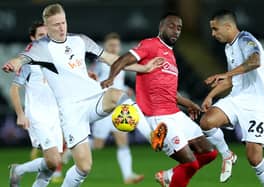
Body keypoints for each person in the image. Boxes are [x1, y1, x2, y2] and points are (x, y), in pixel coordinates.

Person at [2, 3, 164, 187]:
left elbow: (111, 59)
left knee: (117, 95)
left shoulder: (79, 40)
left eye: (63, 22)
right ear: (47, 27)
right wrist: (14, 63)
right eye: (56, 25)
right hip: (71, 112)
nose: (62, 28)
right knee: (84, 167)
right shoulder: (41, 47)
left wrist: (143, 67)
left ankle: (153, 135)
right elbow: (21, 58)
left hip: (93, 98)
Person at [101, 12, 218, 187]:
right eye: (171, 26)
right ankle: (156, 141)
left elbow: (169, 92)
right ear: (161, 27)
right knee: (190, 163)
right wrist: (111, 77)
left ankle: (169, 175)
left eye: (179, 28)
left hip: (175, 113)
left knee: (209, 154)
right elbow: (123, 60)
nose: (176, 31)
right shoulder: (150, 45)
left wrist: (189, 104)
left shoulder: (170, 56)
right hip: (158, 117)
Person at [199, 9, 264, 186]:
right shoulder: (229, 47)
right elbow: (230, 80)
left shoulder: (245, 39)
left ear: (228, 26)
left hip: (256, 104)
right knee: (207, 122)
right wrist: (210, 96)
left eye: (215, 29)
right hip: (236, 99)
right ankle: (227, 155)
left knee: (254, 159)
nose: (213, 34)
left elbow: (255, 61)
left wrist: (227, 74)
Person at [9, 20, 64, 187]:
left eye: (47, 35)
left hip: (55, 117)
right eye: (40, 35)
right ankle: (18, 170)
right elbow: (14, 88)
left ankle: (18, 171)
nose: (45, 39)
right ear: (32, 38)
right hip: (37, 117)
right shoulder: (28, 62)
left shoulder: (58, 58)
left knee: (51, 164)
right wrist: (20, 114)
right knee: (53, 160)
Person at [90, 32, 144, 184]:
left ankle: (128, 175)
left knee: (123, 141)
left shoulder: (120, 61)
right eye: (111, 45)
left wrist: (125, 89)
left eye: (116, 45)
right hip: (104, 107)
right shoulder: (101, 63)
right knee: (98, 145)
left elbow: (117, 83)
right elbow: (94, 80)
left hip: (119, 107)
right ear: (105, 46)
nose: (114, 47)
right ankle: (71, 147)